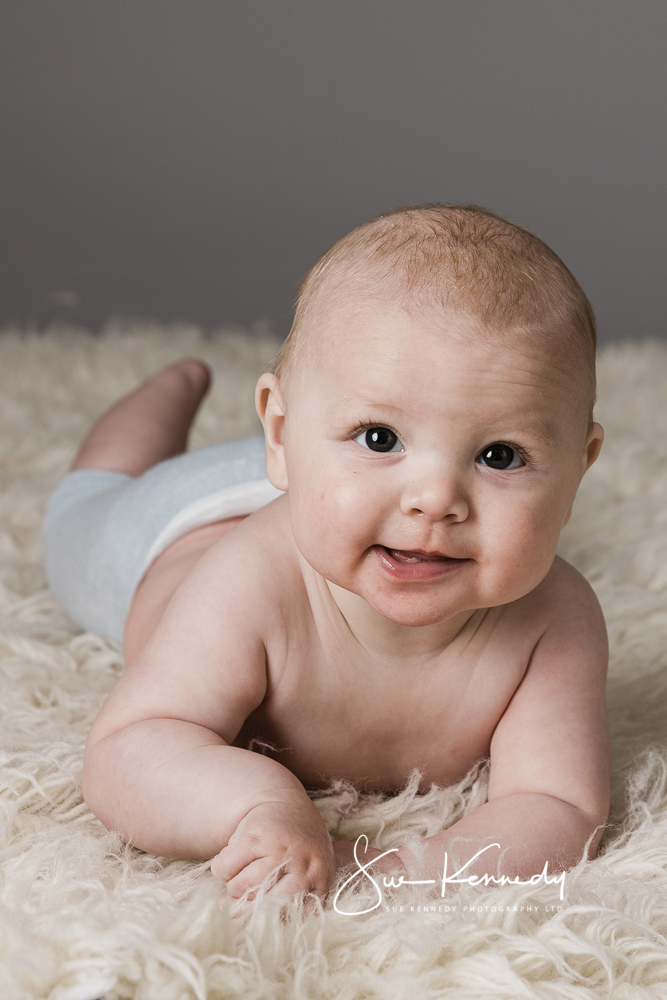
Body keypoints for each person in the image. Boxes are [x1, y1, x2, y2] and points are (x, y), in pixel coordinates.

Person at [43, 204, 610, 907]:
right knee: (78, 520)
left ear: (577, 469)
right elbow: (130, 748)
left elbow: (559, 806)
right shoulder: (248, 581)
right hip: (180, 523)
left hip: (338, 495)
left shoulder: (555, 620)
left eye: (501, 455)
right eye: (380, 435)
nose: (434, 499)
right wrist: (260, 805)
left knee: (385, 487)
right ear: (278, 433)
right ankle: (160, 400)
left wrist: (402, 871)